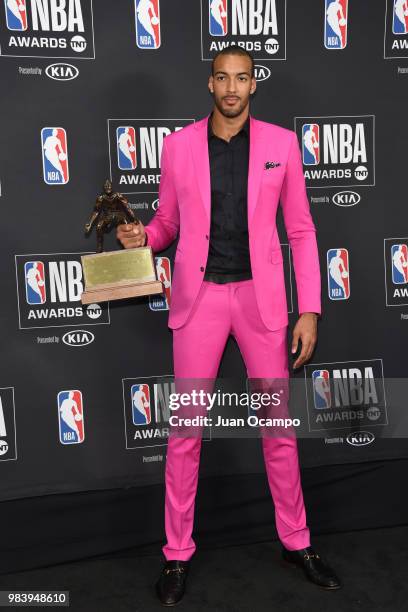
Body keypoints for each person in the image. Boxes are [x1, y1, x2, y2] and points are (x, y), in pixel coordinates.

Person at [117, 47, 342, 605]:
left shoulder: (282, 145)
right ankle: (176, 553)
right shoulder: (178, 146)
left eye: (242, 78)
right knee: (186, 434)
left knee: (279, 432)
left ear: (253, 86)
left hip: (262, 305)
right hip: (201, 303)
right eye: (223, 78)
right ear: (210, 83)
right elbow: (168, 220)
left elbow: (302, 232)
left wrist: (308, 308)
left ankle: (296, 540)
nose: (232, 88)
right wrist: (143, 237)